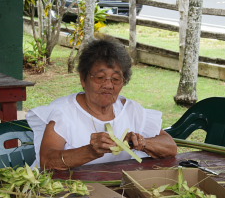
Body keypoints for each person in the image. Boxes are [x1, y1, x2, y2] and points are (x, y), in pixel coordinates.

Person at [26, 37, 177, 170]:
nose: (108, 85)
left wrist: (142, 143)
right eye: (100, 77)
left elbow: (170, 146)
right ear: (83, 79)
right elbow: (47, 161)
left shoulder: (130, 110)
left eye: (116, 79)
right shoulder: (63, 112)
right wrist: (90, 151)